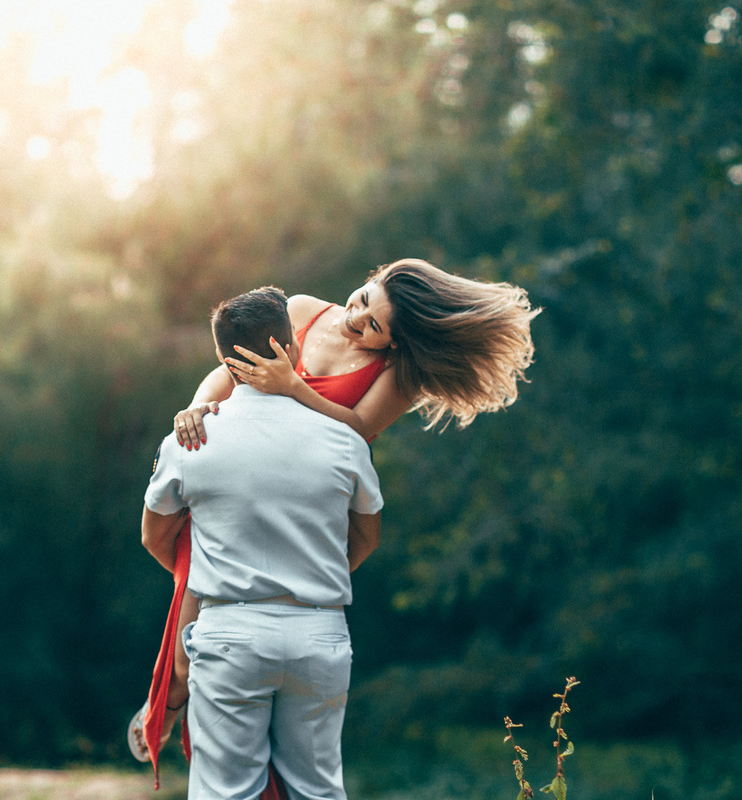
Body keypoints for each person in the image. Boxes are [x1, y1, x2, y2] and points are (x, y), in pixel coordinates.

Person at [129, 259, 540, 788]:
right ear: (372, 277)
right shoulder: (300, 310)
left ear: (394, 344)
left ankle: (180, 708)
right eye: (363, 298)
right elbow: (228, 368)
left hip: (302, 506)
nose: (355, 318)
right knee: (198, 611)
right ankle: (167, 704)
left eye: (373, 326)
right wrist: (196, 410)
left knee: (226, 647)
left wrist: (290, 386)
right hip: (242, 484)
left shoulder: (396, 376)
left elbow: (357, 428)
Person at [141, 287, 385, 800]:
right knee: (318, 791)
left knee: (226, 792)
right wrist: (316, 574)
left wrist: (210, 572)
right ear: (293, 346)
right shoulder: (345, 441)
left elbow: (155, 535)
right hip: (320, 628)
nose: (356, 320)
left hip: (231, 625)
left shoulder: (189, 444)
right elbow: (367, 533)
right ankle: (172, 694)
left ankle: (168, 700)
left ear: (222, 359)